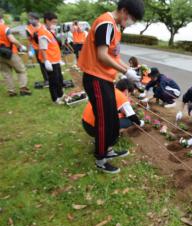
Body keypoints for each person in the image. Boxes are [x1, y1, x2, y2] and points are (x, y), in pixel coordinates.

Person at [78, 0, 144, 174]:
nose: (131, 22)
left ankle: (107, 150)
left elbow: (113, 57)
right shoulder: (106, 23)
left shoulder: (114, 27)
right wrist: (125, 71)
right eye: (132, 18)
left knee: (110, 117)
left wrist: (128, 70)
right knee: (103, 118)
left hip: (104, 78)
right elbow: (101, 55)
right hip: (95, 77)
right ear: (123, 10)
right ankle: (100, 158)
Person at [0, 14, 31, 97]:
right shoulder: (4, 27)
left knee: (6, 73)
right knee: (21, 70)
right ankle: (23, 89)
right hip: (10, 53)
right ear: (1, 19)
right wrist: (20, 46)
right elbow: (12, 39)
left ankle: (11, 91)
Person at [38, 12, 65, 104]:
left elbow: (53, 45)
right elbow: (43, 48)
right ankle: (55, 98)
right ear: (47, 21)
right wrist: (46, 61)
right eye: (53, 22)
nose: (54, 24)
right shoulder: (43, 32)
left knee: (59, 79)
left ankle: (60, 94)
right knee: (54, 80)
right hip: (50, 61)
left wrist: (59, 59)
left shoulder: (48, 31)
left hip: (55, 60)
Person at [26, 12, 49, 86]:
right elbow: (29, 40)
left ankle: (53, 78)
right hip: (37, 49)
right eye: (30, 19)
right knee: (42, 65)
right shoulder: (28, 28)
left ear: (37, 19)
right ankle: (46, 79)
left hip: (46, 48)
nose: (31, 20)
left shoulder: (44, 26)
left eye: (32, 19)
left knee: (49, 63)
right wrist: (29, 51)